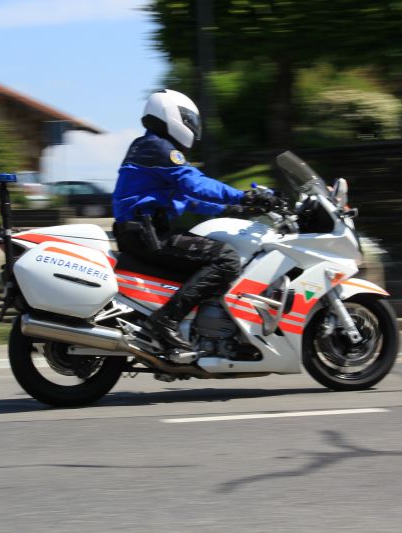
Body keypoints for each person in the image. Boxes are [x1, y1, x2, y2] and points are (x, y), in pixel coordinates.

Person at [112, 89, 278, 352]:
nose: (192, 127)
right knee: (227, 259)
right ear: (170, 115)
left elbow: (189, 199)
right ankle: (166, 320)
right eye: (189, 120)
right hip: (147, 234)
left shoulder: (149, 147)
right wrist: (242, 196)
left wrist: (236, 207)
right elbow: (195, 184)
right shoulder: (158, 148)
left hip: (141, 232)